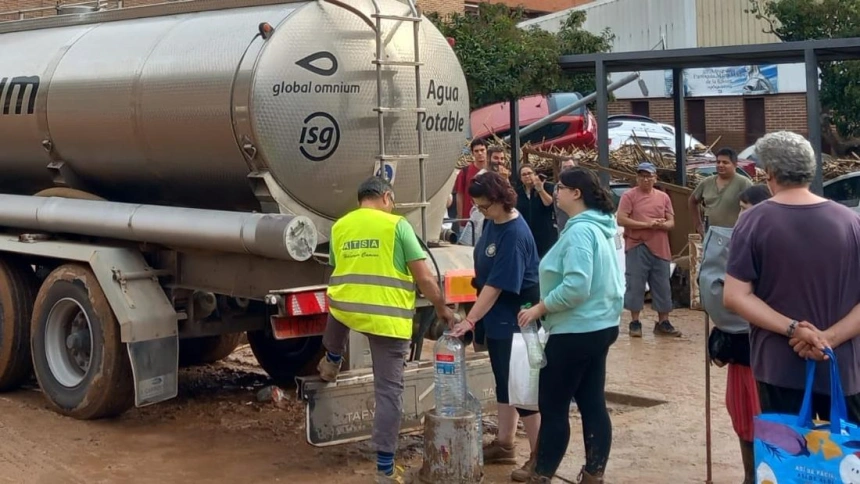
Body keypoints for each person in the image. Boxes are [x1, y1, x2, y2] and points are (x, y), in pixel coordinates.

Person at [316, 177, 457, 483]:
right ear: (386, 197)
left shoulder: (340, 226)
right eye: (392, 201)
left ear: (360, 200)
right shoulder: (398, 226)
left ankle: (332, 359)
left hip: (348, 309)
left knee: (338, 306)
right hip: (387, 320)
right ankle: (385, 468)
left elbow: (339, 269)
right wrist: (442, 307)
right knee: (388, 392)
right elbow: (424, 277)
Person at [724, 131, 860, 427]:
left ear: (770, 172)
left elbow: (735, 296)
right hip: (842, 366)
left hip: (779, 367)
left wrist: (794, 329)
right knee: (848, 452)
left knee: (786, 451)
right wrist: (828, 339)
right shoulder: (851, 221)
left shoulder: (752, 222)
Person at [517, 168, 624, 484]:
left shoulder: (580, 232)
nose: (556, 192)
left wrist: (541, 307)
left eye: (560, 187)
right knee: (592, 402)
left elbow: (577, 286)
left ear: (576, 193)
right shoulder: (602, 226)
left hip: (575, 329)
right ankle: (593, 473)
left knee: (553, 405)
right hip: (601, 325)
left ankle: (542, 473)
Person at [449, 171, 542, 482]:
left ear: (501, 200)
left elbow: (496, 286)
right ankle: (505, 443)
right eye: (477, 206)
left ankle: (539, 455)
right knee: (505, 381)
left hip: (517, 317)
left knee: (522, 387)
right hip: (498, 317)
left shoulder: (514, 235)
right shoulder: (493, 221)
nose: (481, 211)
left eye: (485, 206)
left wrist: (470, 320)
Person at [707, 184, 771, 484]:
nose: (741, 216)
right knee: (741, 413)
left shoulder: (772, 245)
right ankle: (749, 476)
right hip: (738, 346)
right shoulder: (735, 242)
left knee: (764, 416)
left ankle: (767, 474)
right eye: (741, 209)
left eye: (746, 209)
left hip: (764, 349)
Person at [617, 162, 681, 337]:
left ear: (655, 178)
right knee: (635, 283)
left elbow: (671, 222)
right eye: (642, 176)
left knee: (662, 284)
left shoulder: (663, 197)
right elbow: (621, 219)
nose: (645, 179)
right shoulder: (628, 196)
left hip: (660, 246)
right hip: (636, 245)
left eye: (649, 176)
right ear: (637, 178)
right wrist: (647, 224)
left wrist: (661, 225)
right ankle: (635, 322)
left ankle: (663, 322)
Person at [688, 148, 753, 235]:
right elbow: (692, 201)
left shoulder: (744, 183)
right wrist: (698, 225)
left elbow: (755, 208)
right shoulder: (707, 182)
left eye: (725, 162)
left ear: (735, 164)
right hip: (710, 234)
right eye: (718, 162)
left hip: (734, 235)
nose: (720, 165)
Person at [516, 164, 558, 258]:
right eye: (524, 174)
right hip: (527, 233)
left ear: (535, 174)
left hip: (545, 233)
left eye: (529, 173)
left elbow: (549, 204)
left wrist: (540, 190)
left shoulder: (547, 186)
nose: (527, 176)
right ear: (521, 178)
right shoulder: (518, 192)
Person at [455, 139, 489, 227]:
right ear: (472, 153)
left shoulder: (493, 171)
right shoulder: (464, 172)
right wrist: (461, 219)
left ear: (487, 151)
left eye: (482, 150)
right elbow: (459, 196)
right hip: (469, 220)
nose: (480, 153)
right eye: (476, 151)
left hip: (489, 219)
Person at [554, 157, 577, 236]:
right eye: (565, 167)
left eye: (570, 167)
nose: (568, 170)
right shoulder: (558, 187)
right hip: (565, 230)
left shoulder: (584, 185)